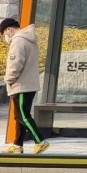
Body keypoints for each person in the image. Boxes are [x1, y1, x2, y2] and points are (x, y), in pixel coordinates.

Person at [2, 18, 50, 154]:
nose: (5, 37)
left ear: (9, 30)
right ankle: (17, 145)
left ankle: (40, 141)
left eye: (4, 34)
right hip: (28, 84)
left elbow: (15, 64)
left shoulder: (18, 40)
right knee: (19, 116)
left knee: (23, 116)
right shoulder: (29, 39)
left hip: (21, 85)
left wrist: (8, 79)